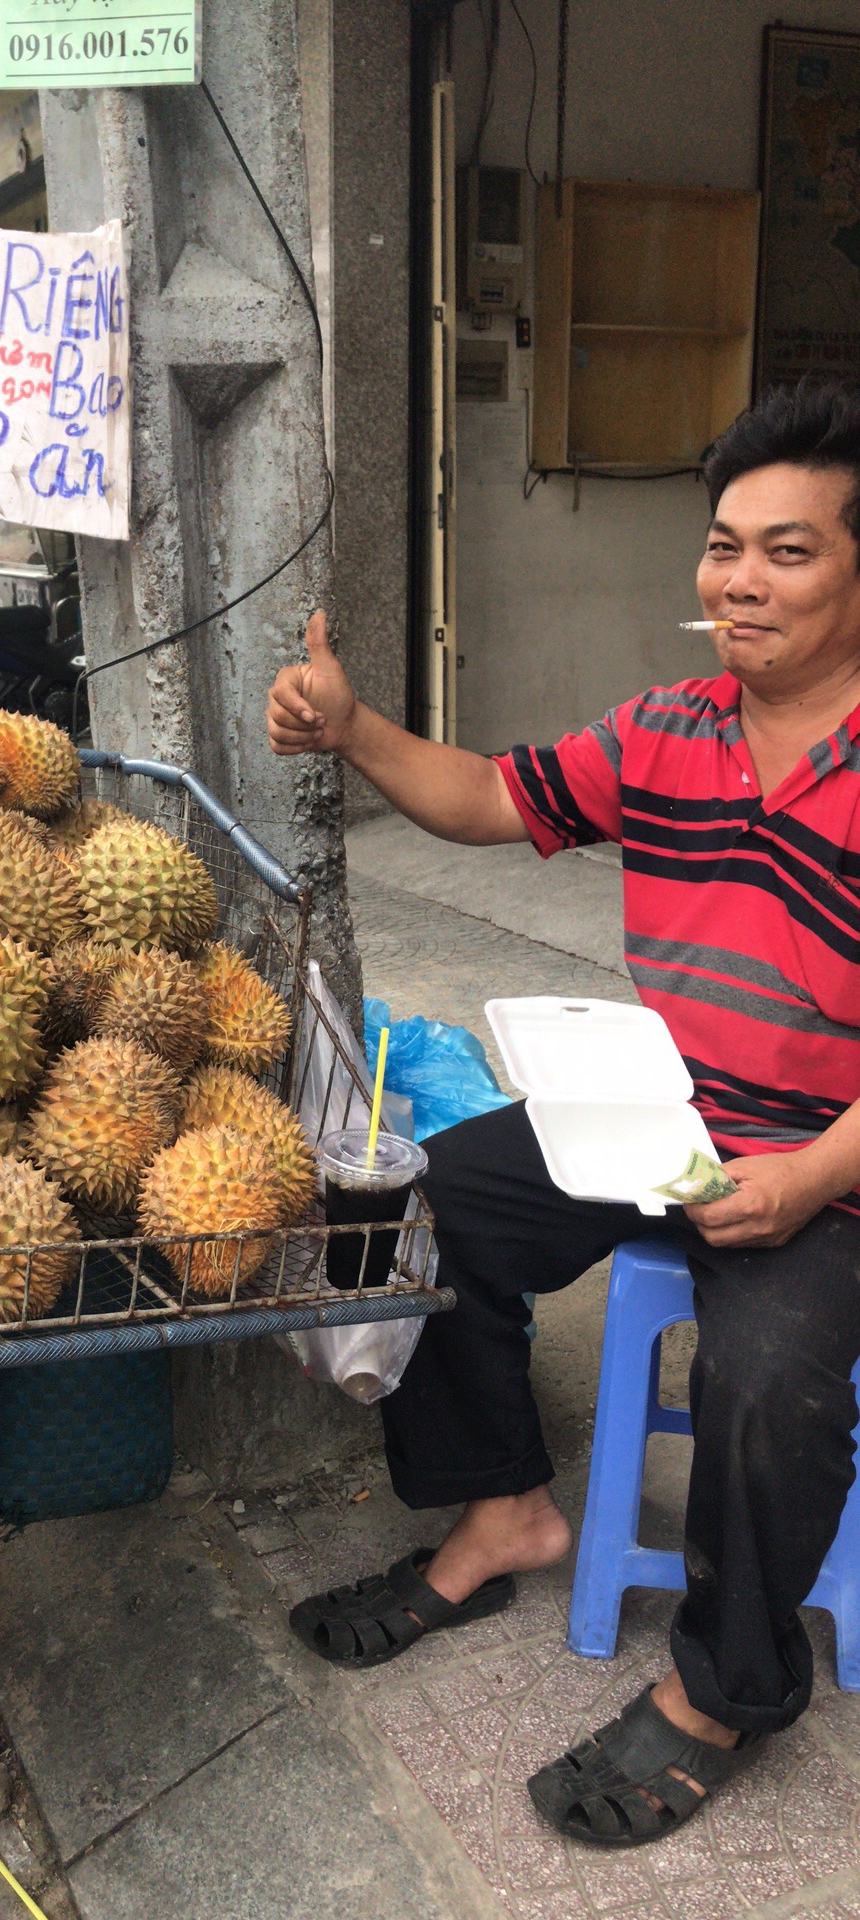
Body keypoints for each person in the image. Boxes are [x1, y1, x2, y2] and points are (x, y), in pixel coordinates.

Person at [266, 377, 860, 1849]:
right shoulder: (668, 726)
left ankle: (727, 1690)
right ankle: (505, 1510)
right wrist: (351, 728)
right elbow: (485, 796)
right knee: (412, 1208)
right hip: (658, 1118)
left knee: (770, 1375)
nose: (740, 579)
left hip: (832, 1165)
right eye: (725, 546)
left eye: (789, 550)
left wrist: (806, 1178)